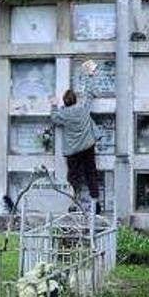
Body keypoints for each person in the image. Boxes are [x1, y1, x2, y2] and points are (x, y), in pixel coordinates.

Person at [51, 67, 100, 213]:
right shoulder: (83, 108)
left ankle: (74, 203)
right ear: (75, 99)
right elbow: (89, 93)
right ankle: (95, 203)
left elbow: (54, 118)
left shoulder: (63, 114)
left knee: (73, 176)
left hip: (72, 150)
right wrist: (90, 76)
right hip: (87, 147)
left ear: (65, 102)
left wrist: (54, 104)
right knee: (91, 173)